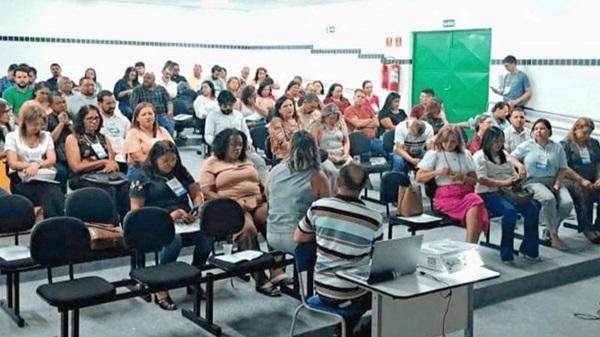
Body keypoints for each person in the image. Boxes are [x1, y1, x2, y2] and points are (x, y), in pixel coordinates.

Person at [294, 163, 383, 336]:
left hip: (322, 289)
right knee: (387, 300)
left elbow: (299, 237)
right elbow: (377, 257)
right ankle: (354, 332)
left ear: (338, 182)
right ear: (365, 186)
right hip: (353, 292)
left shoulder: (319, 207)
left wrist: (324, 234)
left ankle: (345, 331)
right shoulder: (374, 219)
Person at [130, 140, 208, 310]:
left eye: (173, 160)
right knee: (174, 240)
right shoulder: (141, 176)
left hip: (183, 220)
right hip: (155, 222)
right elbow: (136, 211)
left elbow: (196, 193)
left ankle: (193, 278)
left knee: (207, 236)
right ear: (154, 159)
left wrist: (196, 208)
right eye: (165, 161)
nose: (170, 164)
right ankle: (161, 287)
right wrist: (167, 217)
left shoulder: (179, 171)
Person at [200, 128, 278, 296]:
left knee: (273, 219)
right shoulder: (212, 162)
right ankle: (260, 278)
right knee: (247, 229)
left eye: (240, 145)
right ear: (223, 145)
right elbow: (207, 191)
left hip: (255, 202)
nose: (237, 149)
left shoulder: (247, 160)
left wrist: (264, 196)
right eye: (233, 145)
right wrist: (229, 205)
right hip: (231, 206)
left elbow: (258, 182)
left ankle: (277, 271)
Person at [474, 127, 539, 261]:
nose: (498, 145)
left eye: (501, 141)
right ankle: (506, 250)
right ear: (487, 141)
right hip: (488, 193)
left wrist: (517, 179)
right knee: (510, 212)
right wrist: (504, 183)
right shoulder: (480, 156)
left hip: (509, 191)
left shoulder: (504, 154)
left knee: (532, 208)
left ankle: (529, 249)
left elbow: (512, 173)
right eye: (495, 141)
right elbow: (481, 180)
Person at [417, 125, 489, 243]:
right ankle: (471, 246)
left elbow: (475, 180)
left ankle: (470, 244)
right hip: (446, 195)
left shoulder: (465, 154)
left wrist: (462, 178)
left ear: (458, 142)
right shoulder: (434, 154)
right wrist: (437, 172)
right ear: (440, 140)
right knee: (476, 203)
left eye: (453, 142)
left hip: (465, 191)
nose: (448, 145)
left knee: (475, 200)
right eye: (445, 141)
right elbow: (419, 178)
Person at [511, 119, 574, 249]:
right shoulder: (526, 145)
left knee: (567, 203)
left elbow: (563, 168)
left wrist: (557, 184)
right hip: (533, 181)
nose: (538, 131)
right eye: (536, 129)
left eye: (542, 128)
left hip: (553, 180)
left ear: (549, 131)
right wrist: (520, 165)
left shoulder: (557, 148)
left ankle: (551, 228)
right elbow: (510, 157)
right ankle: (553, 235)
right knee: (548, 199)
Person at [266, 130, 330, 254]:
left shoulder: (274, 170)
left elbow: (268, 200)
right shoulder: (317, 176)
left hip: (271, 234)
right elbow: (325, 213)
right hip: (296, 237)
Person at [65, 105, 129, 220]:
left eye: (96, 118)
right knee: (109, 190)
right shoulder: (73, 138)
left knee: (125, 186)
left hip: (104, 175)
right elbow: (76, 167)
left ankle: (126, 224)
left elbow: (112, 163)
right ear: (81, 120)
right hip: (82, 177)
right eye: (89, 119)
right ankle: (111, 226)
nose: (93, 122)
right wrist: (102, 163)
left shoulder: (103, 138)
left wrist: (108, 164)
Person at [5, 104, 64, 218]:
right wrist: (30, 166)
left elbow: (52, 159)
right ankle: (56, 223)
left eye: (41, 125)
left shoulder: (46, 136)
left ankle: (57, 222)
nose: (38, 128)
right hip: (22, 179)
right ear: (25, 122)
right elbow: (13, 163)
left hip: (42, 176)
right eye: (35, 124)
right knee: (50, 192)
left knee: (53, 190)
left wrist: (36, 166)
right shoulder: (12, 137)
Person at [204, 91, 267, 180]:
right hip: (222, 149)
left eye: (230, 105)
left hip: (241, 146)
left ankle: (263, 187)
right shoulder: (212, 116)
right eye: (225, 106)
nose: (228, 108)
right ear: (219, 104)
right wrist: (218, 145)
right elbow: (208, 136)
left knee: (259, 162)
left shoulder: (238, 115)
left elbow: (245, 132)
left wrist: (248, 142)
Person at [561, 117, 600, 243]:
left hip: (591, 177)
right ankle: (586, 228)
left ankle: (598, 225)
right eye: (584, 132)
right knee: (582, 192)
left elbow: (598, 163)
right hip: (572, 179)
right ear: (576, 129)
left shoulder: (594, 143)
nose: (587, 135)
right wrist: (581, 180)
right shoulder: (566, 144)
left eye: (589, 133)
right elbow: (564, 168)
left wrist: (599, 178)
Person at [123, 103, 174, 179]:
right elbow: (139, 157)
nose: (147, 117)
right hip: (141, 171)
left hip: (166, 169)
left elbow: (173, 151)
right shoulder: (133, 133)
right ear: (137, 118)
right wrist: (160, 166)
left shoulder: (163, 131)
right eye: (143, 115)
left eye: (150, 114)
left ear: (155, 116)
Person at [310, 103, 351, 191]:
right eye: (331, 118)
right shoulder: (317, 126)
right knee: (333, 172)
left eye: (335, 118)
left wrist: (346, 154)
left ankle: (349, 194)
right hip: (325, 155)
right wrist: (329, 157)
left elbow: (346, 141)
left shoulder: (341, 123)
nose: (333, 120)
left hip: (341, 153)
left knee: (351, 168)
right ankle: (333, 194)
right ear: (324, 117)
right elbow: (314, 146)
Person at [344, 89, 385, 162]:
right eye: (358, 96)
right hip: (358, 141)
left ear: (365, 99)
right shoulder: (349, 110)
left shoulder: (368, 109)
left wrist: (362, 122)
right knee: (384, 150)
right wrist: (370, 120)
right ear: (353, 97)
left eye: (362, 97)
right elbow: (357, 124)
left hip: (372, 139)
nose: (360, 98)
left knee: (387, 148)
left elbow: (377, 123)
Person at [98, 91, 130, 172]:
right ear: (99, 104)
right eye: (108, 103)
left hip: (124, 157)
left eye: (114, 102)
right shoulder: (96, 121)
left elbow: (130, 139)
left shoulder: (123, 120)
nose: (112, 106)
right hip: (104, 158)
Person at [46, 92, 72, 191]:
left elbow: (79, 136)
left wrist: (68, 124)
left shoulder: (72, 116)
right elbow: (50, 140)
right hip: (56, 156)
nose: (62, 105)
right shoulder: (47, 119)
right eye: (58, 103)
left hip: (73, 153)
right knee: (61, 172)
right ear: (50, 105)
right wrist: (61, 124)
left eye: (64, 102)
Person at [269, 96, 303, 163]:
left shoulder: (298, 119)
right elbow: (282, 144)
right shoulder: (276, 122)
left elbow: (305, 136)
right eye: (285, 106)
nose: (289, 108)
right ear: (279, 110)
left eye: (291, 105)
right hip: (283, 155)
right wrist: (300, 147)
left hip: (300, 152)